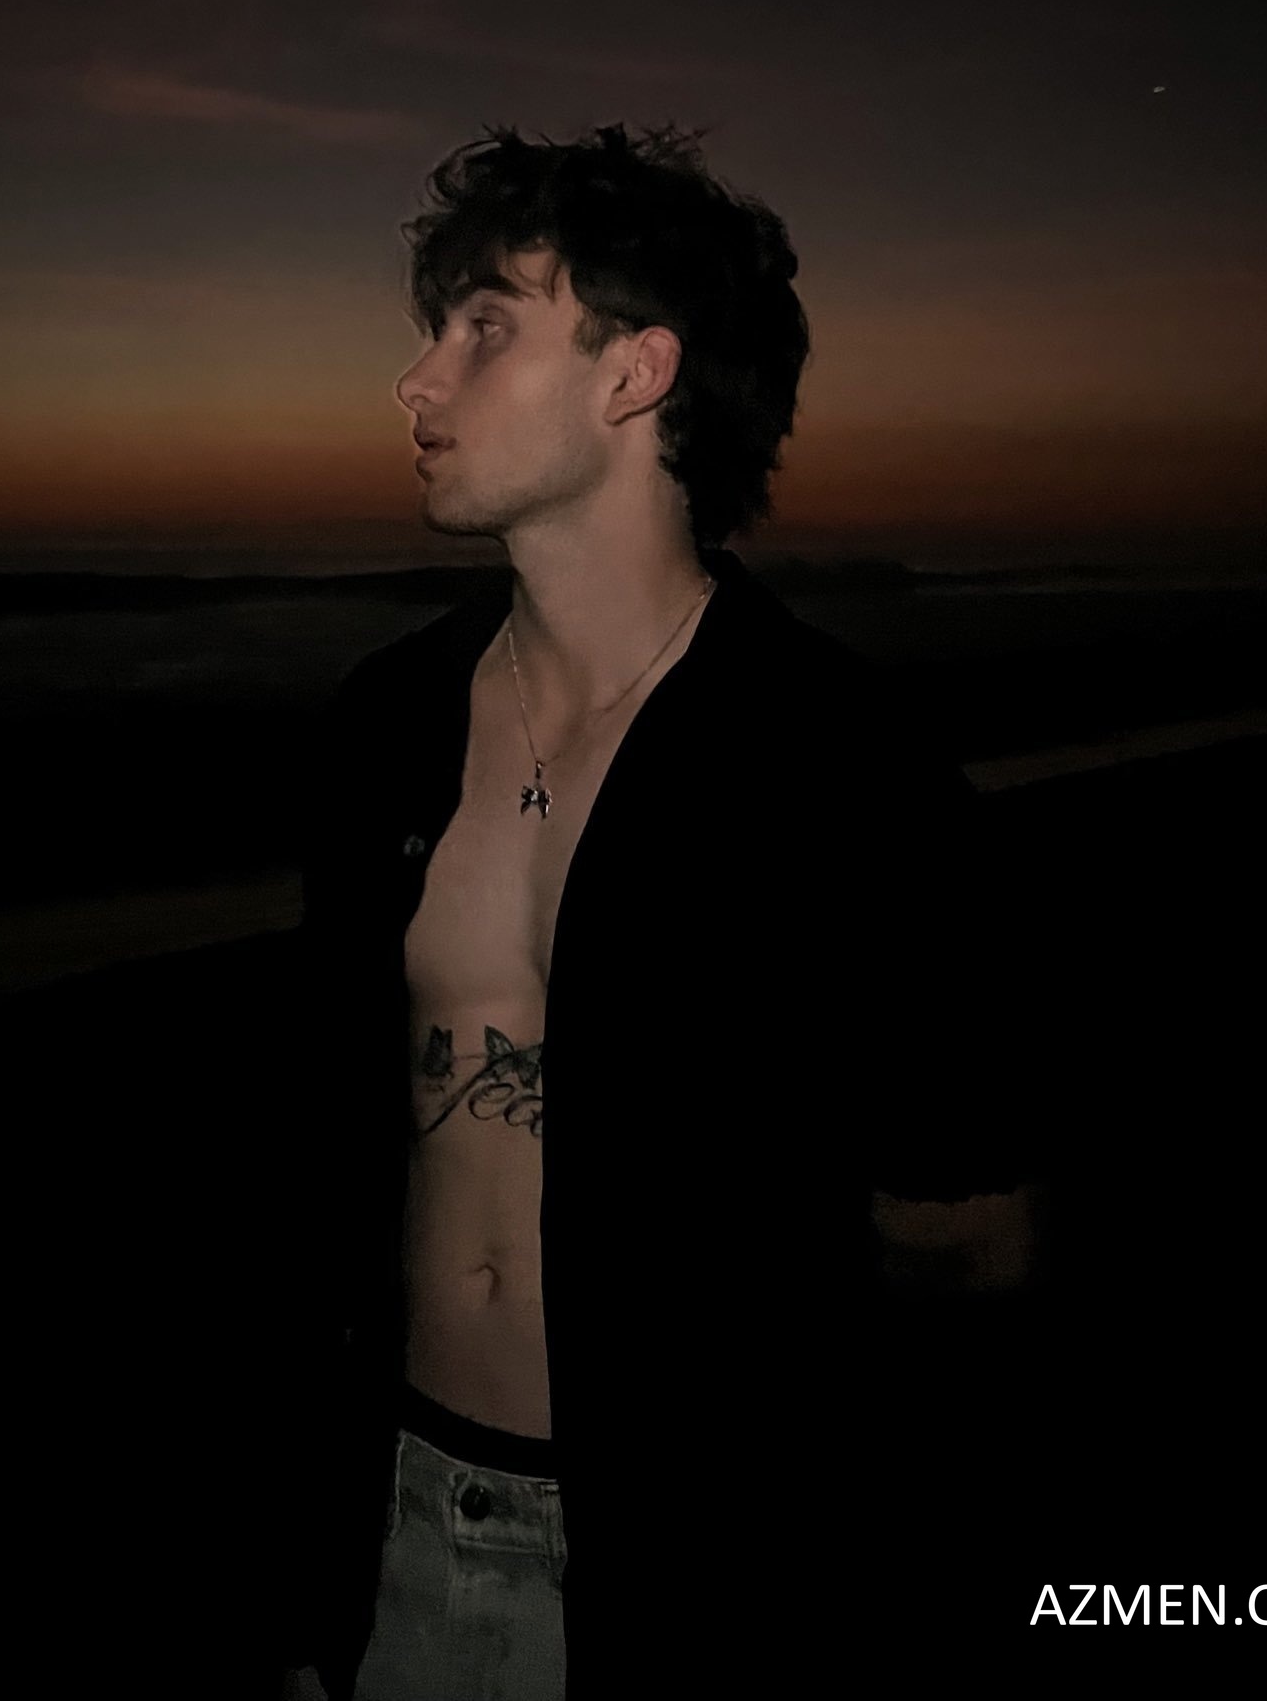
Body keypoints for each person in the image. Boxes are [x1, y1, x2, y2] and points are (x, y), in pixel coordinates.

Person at [276, 124, 1035, 1700]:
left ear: (636, 373)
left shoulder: (839, 765)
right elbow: (320, 1161)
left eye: (484, 328)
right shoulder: (386, 723)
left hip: (706, 1568)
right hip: (396, 1522)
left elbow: (961, 1238)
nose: (415, 383)